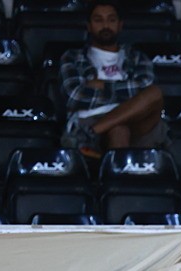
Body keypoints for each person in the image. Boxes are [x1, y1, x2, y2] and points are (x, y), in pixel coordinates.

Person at [59, 1, 165, 158]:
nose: (105, 25)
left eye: (111, 19)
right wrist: (127, 95)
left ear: (120, 25)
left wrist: (100, 85)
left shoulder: (137, 57)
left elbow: (146, 88)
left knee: (155, 93)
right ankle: (119, 179)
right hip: (90, 118)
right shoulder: (73, 57)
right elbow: (74, 96)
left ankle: (89, 134)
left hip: (134, 119)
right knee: (119, 130)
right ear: (88, 26)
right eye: (98, 20)